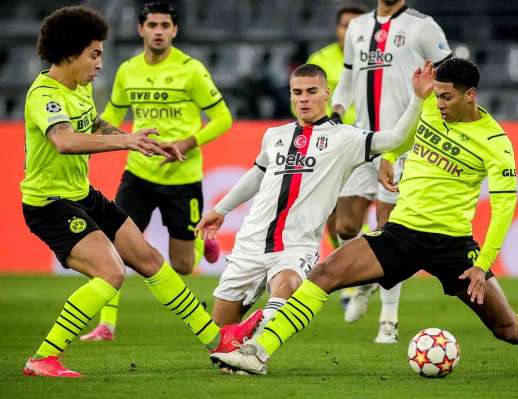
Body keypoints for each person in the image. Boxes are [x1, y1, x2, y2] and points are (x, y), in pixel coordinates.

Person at [210, 58, 518, 375]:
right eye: (436, 95)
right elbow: (402, 137)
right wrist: (389, 160)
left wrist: (483, 264)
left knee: (507, 328)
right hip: (400, 234)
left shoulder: (495, 142)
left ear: (470, 95)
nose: (439, 103)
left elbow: (505, 207)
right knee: (323, 274)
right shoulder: (429, 105)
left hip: (452, 246)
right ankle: (258, 352)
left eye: (446, 97)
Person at [20, 5, 260, 378]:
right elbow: (64, 141)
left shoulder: (79, 88)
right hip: (49, 204)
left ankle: (219, 341)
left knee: (148, 259)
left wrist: (140, 141)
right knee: (111, 273)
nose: (100, 63)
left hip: (82, 194)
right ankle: (42, 358)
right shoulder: (45, 95)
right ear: (69, 53)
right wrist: (127, 142)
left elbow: (95, 123)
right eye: (94, 54)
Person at [195, 62, 424, 350]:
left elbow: (396, 138)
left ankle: (258, 339)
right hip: (251, 242)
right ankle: (250, 334)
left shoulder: (345, 138)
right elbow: (257, 173)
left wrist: (418, 98)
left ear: (326, 93)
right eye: (297, 92)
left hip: (296, 246)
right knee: (220, 341)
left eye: (311, 91)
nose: (303, 98)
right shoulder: (274, 136)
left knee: (288, 286)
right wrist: (221, 210)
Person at [80, 1, 232, 342]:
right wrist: (93, 147)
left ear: (175, 30)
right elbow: (112, 118)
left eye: (165, 25)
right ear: (141, 29)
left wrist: (190, 142)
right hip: (138, 174)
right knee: (115, 246)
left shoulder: (191, 70)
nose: (159, 31)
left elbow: (224, 118)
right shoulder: (127, 71)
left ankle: (204, 245)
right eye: (153, 25)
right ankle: (107, 324)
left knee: (181, 265)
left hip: (182, 177)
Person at [331, 0, 453, 343]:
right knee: (346, 225)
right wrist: (338, 108)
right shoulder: (357, 27)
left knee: (388, 230)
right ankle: (365, 281)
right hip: (364, 140)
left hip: (406, 143)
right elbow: (348, 77)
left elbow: (451, 78)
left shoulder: (423, 26)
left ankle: (389, 319)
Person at [304, 3, 367, 305]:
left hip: (367, 145)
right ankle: (355, 280)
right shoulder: (320, 60)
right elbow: (305, 101)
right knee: (331, 217)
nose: (350, 31)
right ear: (337, 29)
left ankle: (363, 277)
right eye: (345, 26)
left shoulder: (376, 61)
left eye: (356, 25)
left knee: (350, 219)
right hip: (328, 147)